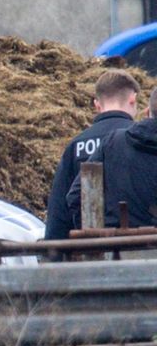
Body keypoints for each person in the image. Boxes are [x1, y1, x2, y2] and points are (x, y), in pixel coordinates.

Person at [44, 70, 138, 241]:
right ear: (133, 99)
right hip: (142, 243)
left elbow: (59, 213)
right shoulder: (141, 141)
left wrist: (54, 256)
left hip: (92, 248)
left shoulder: (76, 146)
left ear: (97, 105)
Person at [66, 85, 157, 231]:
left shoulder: (112, 143)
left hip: (115, 248)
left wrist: (97, 238)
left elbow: (76, 197)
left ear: (147, 113)